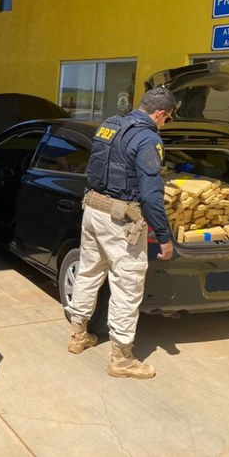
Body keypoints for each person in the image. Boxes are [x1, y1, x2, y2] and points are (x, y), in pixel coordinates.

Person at [66, 86, 176, 379]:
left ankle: (78, 336)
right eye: (167, 119)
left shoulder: (110, 124)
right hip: (120, 220)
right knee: (127, 286)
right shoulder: (147, 138)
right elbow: (152, 194)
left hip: (93, 209)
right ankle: (122, 359)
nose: (164, 124)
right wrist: (164, 237)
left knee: (89, 272)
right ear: (160, 114)